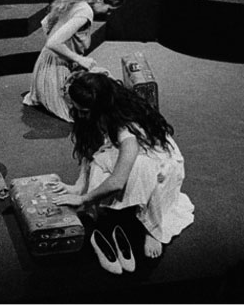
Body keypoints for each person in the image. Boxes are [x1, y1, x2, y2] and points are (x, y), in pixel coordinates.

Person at [49, 71, 195, 260]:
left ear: (100, 107)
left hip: (159, 162)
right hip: (127, 151)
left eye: (84, 111)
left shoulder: (126, 128)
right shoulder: (99, 112)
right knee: (101, 159)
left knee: (143, 169)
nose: (79, 115)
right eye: (77, 109)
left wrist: (84, 199)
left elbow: (118, 181)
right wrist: (78, 186)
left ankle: (153, 228)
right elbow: (90, 150)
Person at [23, 0, 124, 122]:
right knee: (96, 107)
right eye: (109, 9)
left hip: (47, 64)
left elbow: (46, 25)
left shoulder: (77, 0)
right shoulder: (85, 12)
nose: (108, 14)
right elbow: (53, 42)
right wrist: (79, 59)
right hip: (56, 69)